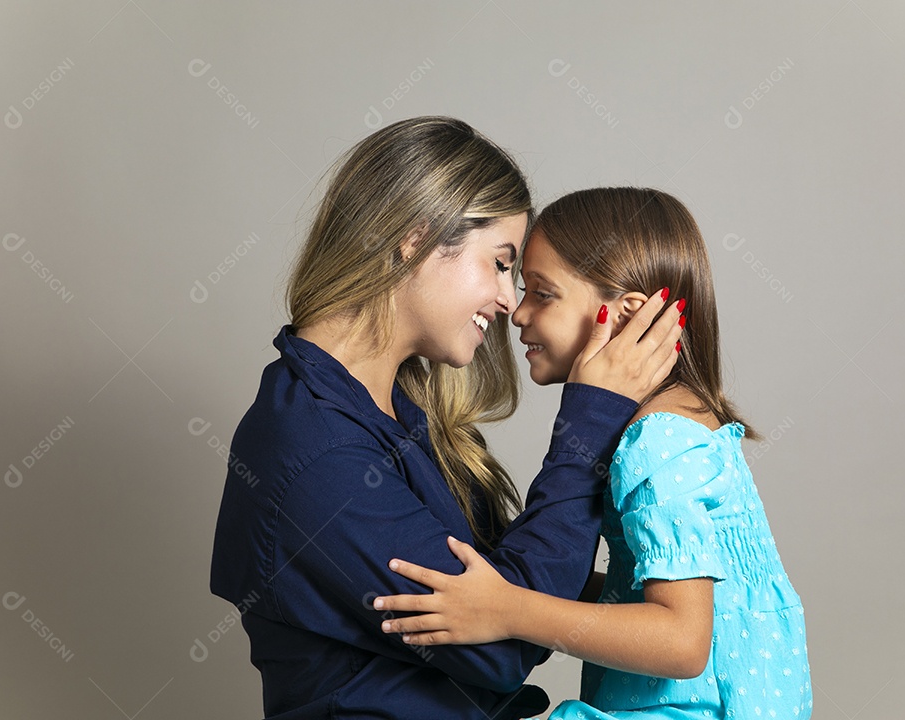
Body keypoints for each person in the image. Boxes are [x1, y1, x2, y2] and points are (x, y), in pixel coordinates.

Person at [209, 120, 684, 719]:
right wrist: (591, 421)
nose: (511, 302)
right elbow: (501, 641)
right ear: (416, 239)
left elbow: (500, 586)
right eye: (500, 263)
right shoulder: (318, 454)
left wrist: (671, 605)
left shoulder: (388, 415)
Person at [375, 187, 813, 719]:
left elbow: (682, 641)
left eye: (543, 293)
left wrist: (510, 609)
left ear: (627, 315)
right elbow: (697, 604)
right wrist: (521, 580)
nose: (518, 314)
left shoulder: (658, 441)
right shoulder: (687, 422)